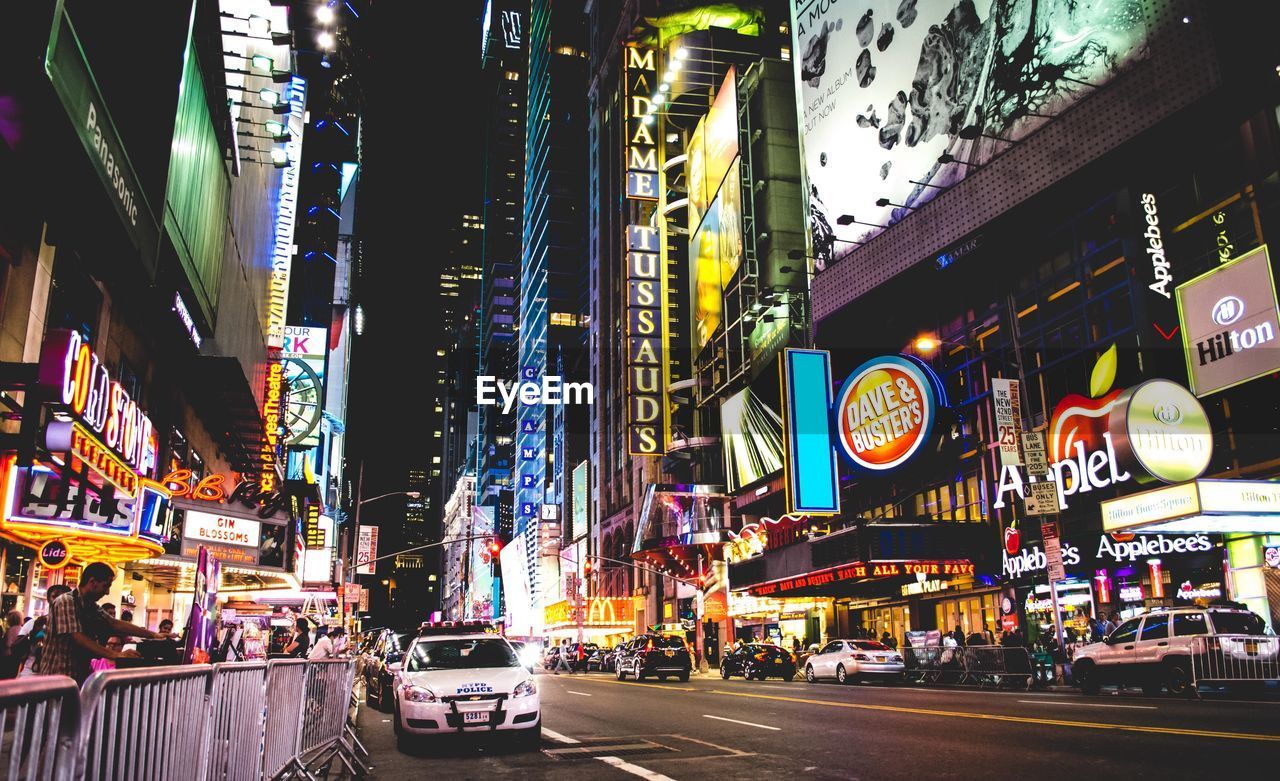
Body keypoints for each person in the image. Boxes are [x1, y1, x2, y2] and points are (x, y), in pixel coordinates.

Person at [35, 562, 167, 684]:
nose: (107, 592)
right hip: (58, 677)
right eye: (106, 586)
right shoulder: (66, 601)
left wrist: (153, 635)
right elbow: (77, 637)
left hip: (76, 676)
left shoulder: (90, 605)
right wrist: (116, 655)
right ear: (92, 582)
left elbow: (113, 623)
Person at [1, 610, 25, 678]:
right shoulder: (22, 629)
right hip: (17, 657)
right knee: (13, 675)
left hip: (8, 657)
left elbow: (8, 644)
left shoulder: (11, 630)